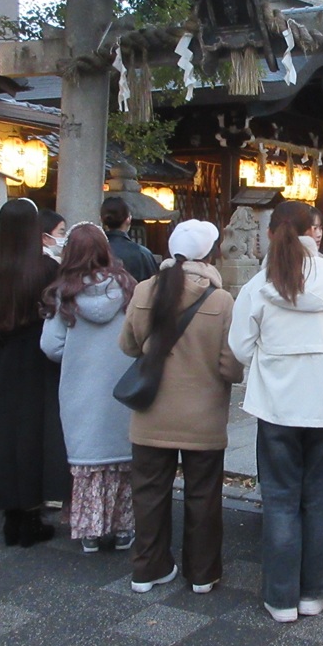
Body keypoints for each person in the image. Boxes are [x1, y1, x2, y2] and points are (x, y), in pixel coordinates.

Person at [229, 200, 323, 622]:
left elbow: (239, 345)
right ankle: (317, 592)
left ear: (273, 231)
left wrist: (267, 360)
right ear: (313, 231)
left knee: (279, 499)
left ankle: (280, 597)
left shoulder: (259, 283)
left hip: (275, 405)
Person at [120, 219, 243, 593]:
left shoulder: (145, 290)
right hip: (203, 416)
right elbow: (231, 367)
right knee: (203, 494)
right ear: (210, 253)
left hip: (151, 412)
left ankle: (148, 568)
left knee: (148, 492)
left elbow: (128, 346)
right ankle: (203, 573)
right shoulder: (221, 301)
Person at [0, 199, 68, 546]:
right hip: (35, 357)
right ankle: (31, 514)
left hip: (0, 357)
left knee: (3, 434)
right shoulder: (46, 269)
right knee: (34, 434)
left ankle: (10, 514)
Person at [40, 223, 137, 553]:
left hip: (80, 391)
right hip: (121, 390)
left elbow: (50, 346)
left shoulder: (63, 292)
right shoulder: (127, 287)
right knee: (122, 462)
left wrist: (79, 354)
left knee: (88, 464)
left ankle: (90, 532)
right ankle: (124, 528)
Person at [102, 195, 158, 282]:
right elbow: (154, 288)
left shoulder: (91, 252)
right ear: (128, 219)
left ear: (101, 219)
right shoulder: (142, 254)